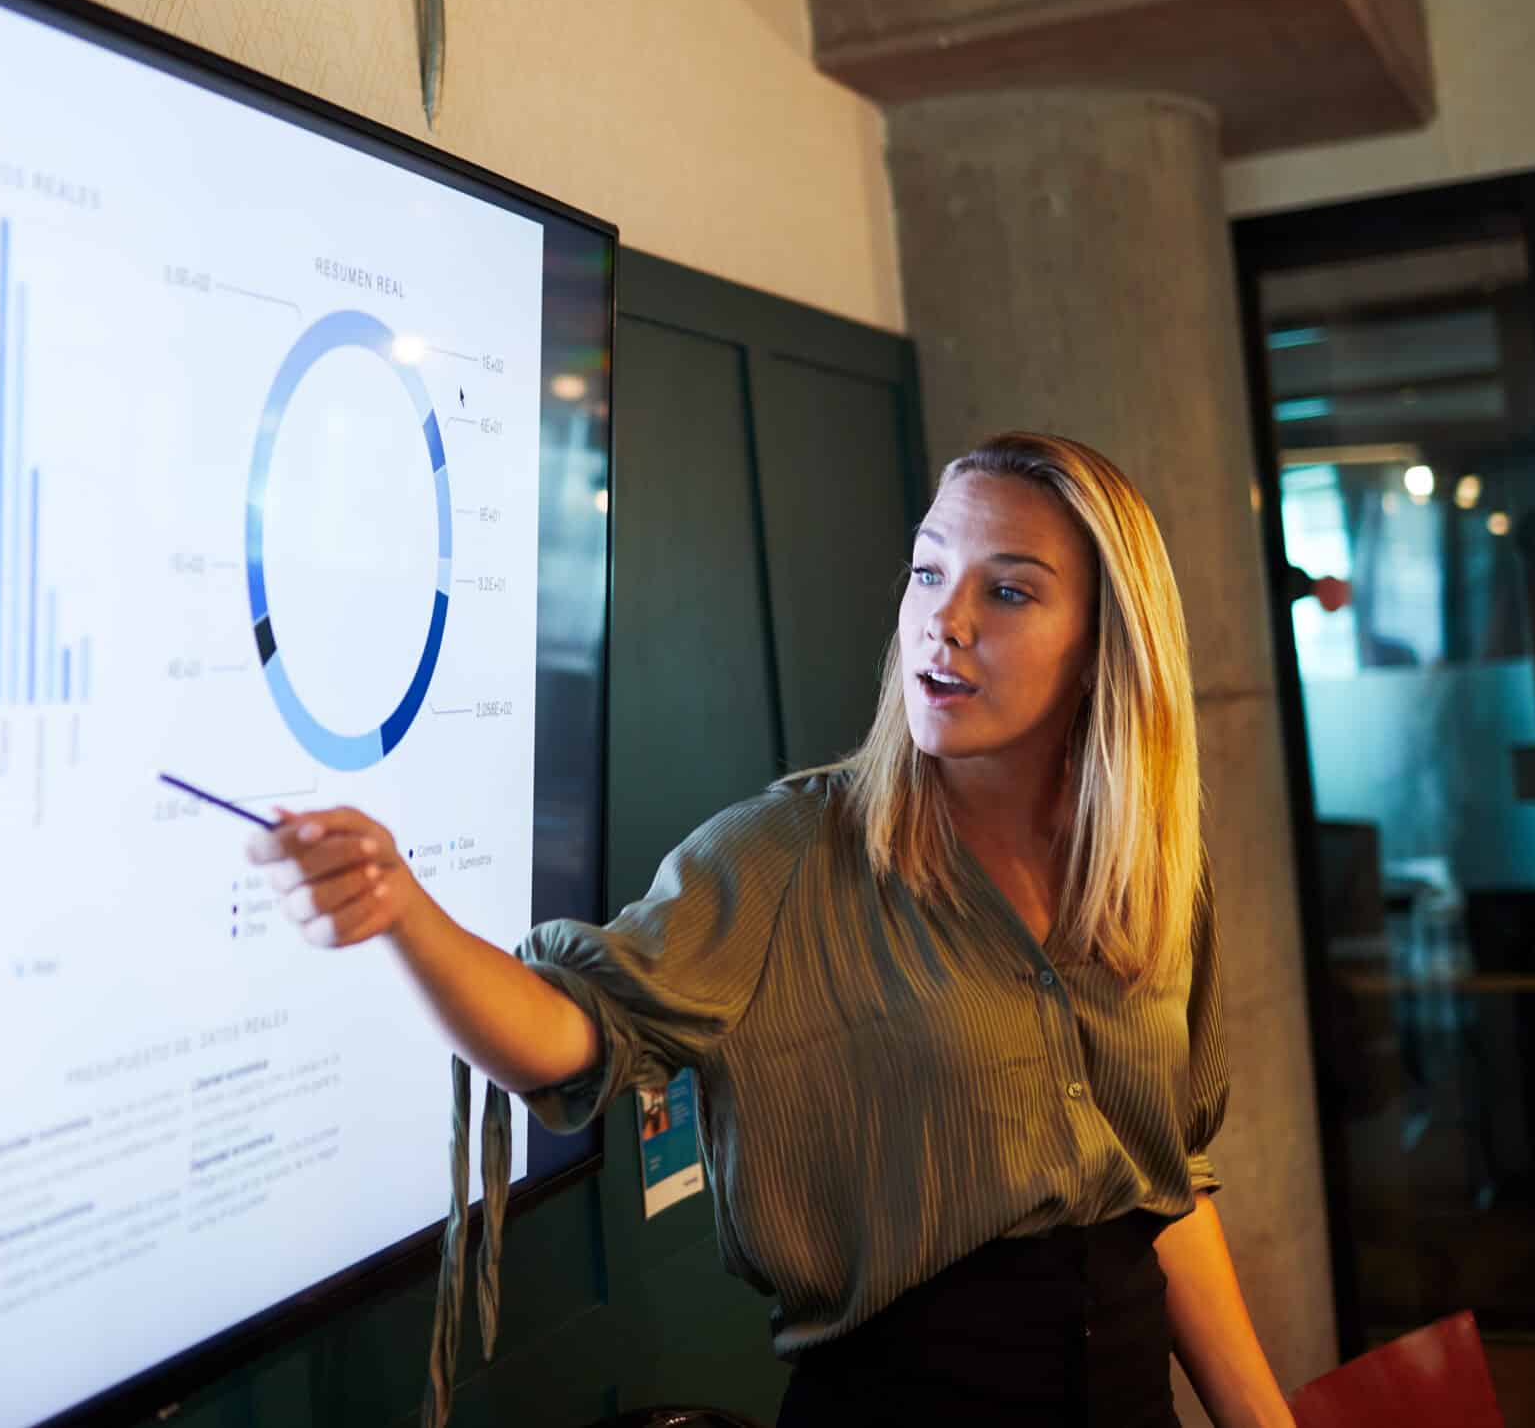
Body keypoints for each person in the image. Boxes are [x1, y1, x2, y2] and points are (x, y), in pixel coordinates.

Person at [247, 432, 1295, 1428]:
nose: (945, 621)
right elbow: (569, 1037)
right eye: (928, 574)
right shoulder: (789, 853)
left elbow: (1170, 1189)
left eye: (1008, 591)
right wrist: (403, 914)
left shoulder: (1149, 871)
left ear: (1105, 643)